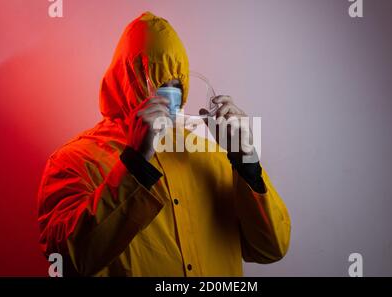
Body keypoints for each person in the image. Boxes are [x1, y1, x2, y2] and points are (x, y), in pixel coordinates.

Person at [37, 11, 291, 276]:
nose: (168, 96)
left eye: (175, 84)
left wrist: (246, 161)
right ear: (125, 81)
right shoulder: (74, 161)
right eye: (155, 83)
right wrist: (134, 164)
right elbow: (65, 263)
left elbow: (270, 248)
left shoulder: (212, 156)